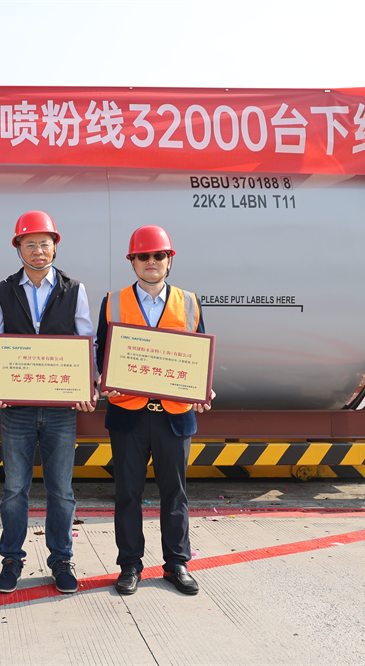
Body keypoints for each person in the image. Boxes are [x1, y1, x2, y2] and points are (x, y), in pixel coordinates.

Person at [0, 210, 98, 594]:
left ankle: (61, 559)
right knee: (14, 489)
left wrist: (88, 385)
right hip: (16, 409)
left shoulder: (74, 290)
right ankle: (11, 559)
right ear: (18, 248)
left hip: (61, 408)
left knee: (61, 490)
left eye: (44, 243)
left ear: (55, 246)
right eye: (29, 244)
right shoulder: (2, 291)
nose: (37, 250)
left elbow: (86, 341)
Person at [95, 225, 214, 597]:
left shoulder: (189, 302)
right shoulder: (113, 301)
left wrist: (203, 386)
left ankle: (177, 563)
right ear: (132, 261)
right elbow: (101, 353)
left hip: (174, 415)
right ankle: (130, 565)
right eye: (143, 256)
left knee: (174, 493)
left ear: (169, 260)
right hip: (127, 415)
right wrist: (102, 378)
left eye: (158, 255)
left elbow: (199, 353)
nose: (151, 261)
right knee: (127, 494)